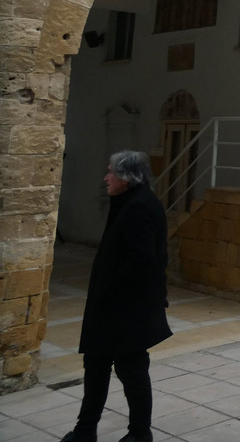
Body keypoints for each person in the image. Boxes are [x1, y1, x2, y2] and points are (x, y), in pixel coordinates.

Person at [61, 150, 172, 442]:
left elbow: (142, 260)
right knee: (96, 366)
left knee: (132, 370)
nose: (106, 177)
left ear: (127, 177)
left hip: (126, 311)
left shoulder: (139, 207)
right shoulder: (128, 202)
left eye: (111, 172)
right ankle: (85, 430)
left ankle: (139, 434)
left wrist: (113, 292)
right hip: (113, 308)